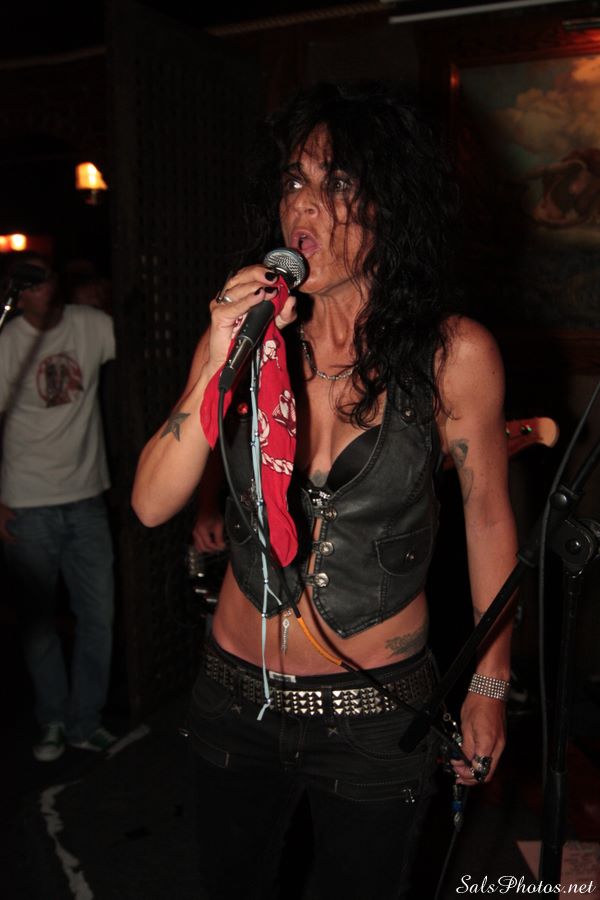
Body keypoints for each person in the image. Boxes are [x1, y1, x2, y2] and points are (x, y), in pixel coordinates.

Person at [132, 82, 517, 899]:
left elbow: (487, 517)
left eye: (336, 181)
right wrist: (216, 357)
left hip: (376, 715)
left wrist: (489, 686)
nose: (303, 203)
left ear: (393, 204)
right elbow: (150, 504)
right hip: (235, 698)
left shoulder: (454, 356)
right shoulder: (246, 338)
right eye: (294, 180)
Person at [0, 253, 117, 761]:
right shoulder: (7, 342)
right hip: (27, 504)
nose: (41, 287)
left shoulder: (89, 325)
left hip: (87, 498)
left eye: (46, 276)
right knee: (38, 623)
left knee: (98, 616)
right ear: (17, 292)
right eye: (29, 281)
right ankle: (51, 718)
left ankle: (85, 720)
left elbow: (149, 342)